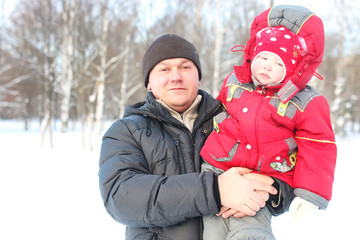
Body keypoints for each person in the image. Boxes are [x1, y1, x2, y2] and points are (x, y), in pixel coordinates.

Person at [98, 33, 277, 240]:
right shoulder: (126, 131)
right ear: (148, 82)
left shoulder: (234, 118)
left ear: (198, 76)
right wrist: (214, 191)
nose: (176, 76)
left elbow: (282, 158)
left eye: (185, 67)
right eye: (164, 69)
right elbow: (121, 198)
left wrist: (274, 192)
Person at [200, 5, 337, 240]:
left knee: (250, 229)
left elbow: (318, 146)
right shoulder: (234, 82)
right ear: (252, 54)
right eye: (263, 57)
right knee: (213, 229)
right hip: (218, 168)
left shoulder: (305, 102)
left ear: (294, 70)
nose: (266, 65)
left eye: (277, 63)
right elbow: (216, 113)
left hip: (263, 179)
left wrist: (310, 195)